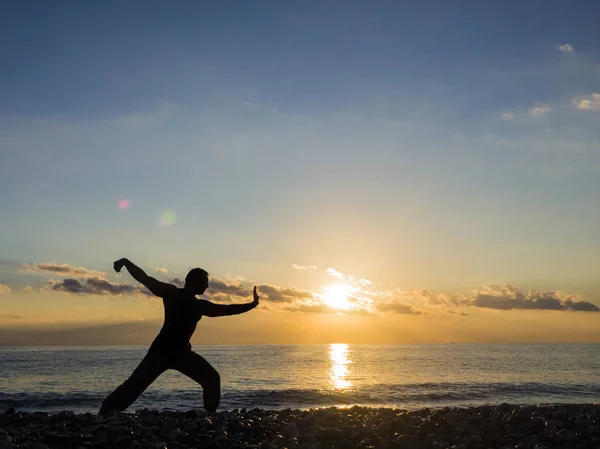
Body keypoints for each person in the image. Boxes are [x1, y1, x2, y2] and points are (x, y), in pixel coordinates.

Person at [99, 258, 259, 415]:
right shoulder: (176, 295)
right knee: (134, 385)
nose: (207, 285)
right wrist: (126, 262)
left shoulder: (192, 302)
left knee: (211, 378)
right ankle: (106, 412)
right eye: (205, 281)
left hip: (180, 353)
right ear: (195, 282)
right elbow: (145, 279)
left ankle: (210, 414)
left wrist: (251, 306)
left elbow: (225, 310)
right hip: (160, 352)